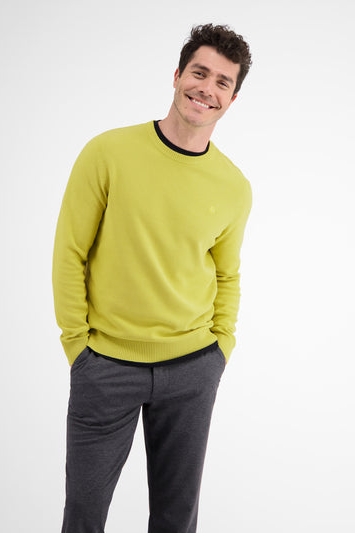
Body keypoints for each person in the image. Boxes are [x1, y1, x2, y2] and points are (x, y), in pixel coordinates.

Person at [52, 23, 252, 533]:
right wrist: (78, 346)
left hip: (193, 368)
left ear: (232, 98)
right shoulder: (107, 153)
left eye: (223, 82)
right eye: (199, 73)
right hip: (105, 366)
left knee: (175, 520)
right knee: (83, 517)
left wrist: (221, 347)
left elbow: (227, 274)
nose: (207, 88)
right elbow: (70, 252)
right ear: (177, 75)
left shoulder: (234, 186)